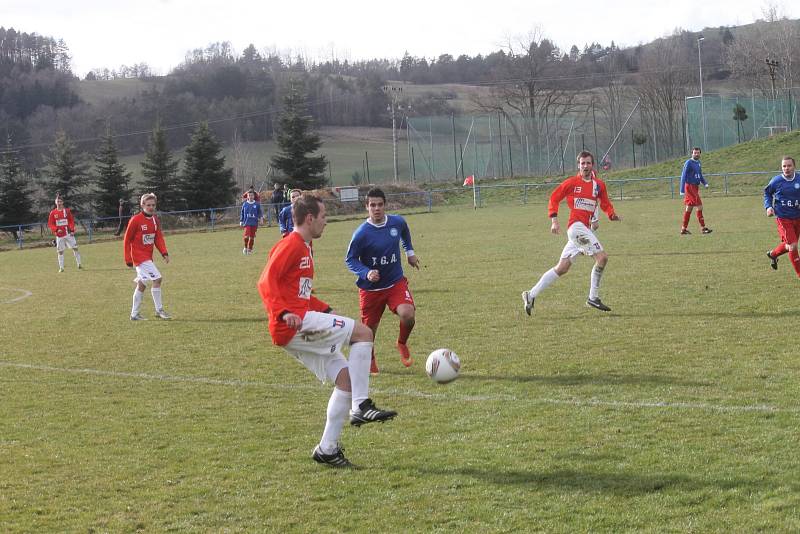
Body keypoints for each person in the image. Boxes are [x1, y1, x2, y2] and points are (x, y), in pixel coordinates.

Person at [257, 193, 397, 468]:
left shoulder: (305, 247)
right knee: (364, 333)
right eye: (323, 217)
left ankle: (327, 449)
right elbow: (265, 282)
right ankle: (360, 406)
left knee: (345, 379)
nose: (326, 222)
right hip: (291, 323)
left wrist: (325, 309)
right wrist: (283, 312)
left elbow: (299, 293)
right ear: (309, 218)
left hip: (296, 323)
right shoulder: (292, 245)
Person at [522, 151, 622, 314]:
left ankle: (530, 295)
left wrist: (611, 215)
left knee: (562, 268)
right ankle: (593, 297)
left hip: (584, 230)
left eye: (588, 163)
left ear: (592, 165)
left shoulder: (599, 185)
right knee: (602, 258)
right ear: (578, 165)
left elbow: (605, 203)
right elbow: (554, 198)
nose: (585, 166)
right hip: (576, 228)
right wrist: (554, 220)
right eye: (582, 163)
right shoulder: (572, 182)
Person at [345, 188, 419, 373]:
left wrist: (410, 253)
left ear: (385, 205)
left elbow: (405, 232)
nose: (376, 208)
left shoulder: (396, 222)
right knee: (369, 331)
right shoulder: (361, 234)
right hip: (371, 289)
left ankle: (401, 343)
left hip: (395, 282)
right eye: (372, 205)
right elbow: (350, 259)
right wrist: (366, 272)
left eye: (379, 204)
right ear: (367, 207)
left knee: (408, 314)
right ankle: (370, 358)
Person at [124, 193, 171, 321]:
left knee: (142, 284)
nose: (151, 207)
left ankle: (134, 314)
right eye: (148, 205)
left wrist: (164, 253)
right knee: (158, 279)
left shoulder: (155, 220)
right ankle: (159, 310)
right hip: (139, 258)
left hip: (148, 257)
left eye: (153, 205)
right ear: (142, 205)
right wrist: (128, 259)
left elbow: (158, 238)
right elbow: (127, 240)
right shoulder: (135, 220)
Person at [764, 156, 800, 277]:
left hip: (797, 217)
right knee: (793, 246)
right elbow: (767, 193)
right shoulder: (776, 181)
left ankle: (773, 254)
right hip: (783, 218)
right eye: (784, 166)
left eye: (789, 165)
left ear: (794, 166)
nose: (786, 168)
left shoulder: (799, 179)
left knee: (789, 245)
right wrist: (768, 207)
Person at [679, 147, 712, 235]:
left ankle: (683, 229)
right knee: (699, 206)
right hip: (690, 187)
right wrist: (681, 190)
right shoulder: (688, 162)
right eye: (695, 153)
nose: (696, 154)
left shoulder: (698, 163)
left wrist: (704, 183)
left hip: (695, 187)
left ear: (700, 154)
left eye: (698, 153)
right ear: (692, 154)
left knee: (689, 208)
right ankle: (703, 228)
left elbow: (699, 174)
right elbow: (683, 175)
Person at [48, 194, 83, 272]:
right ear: (55, 202)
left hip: (68, 234)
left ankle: (79, 264)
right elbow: (51, 224)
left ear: (62, 202)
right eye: (58, 201)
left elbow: (71, 221)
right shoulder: (53, 213)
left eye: (60, 201)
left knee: (75, 248)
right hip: (59, 235)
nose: (59, 203)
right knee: (60, 251)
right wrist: (56, 230)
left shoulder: (66, 211)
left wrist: (72, 230)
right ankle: (61, 268)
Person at [240, 189, 264, 255]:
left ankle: (250, 249)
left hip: (254, 223)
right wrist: (241, 221)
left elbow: (260, 213)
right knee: (246, 236)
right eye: (249, 195)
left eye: (252, 195)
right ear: (247, 196)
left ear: (254, 196)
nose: (250, 196)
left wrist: (261, 219)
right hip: (246, 223)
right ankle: (245, 247)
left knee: (252, 237)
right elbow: (242, 213)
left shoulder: (257, 204)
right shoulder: (245, 204)